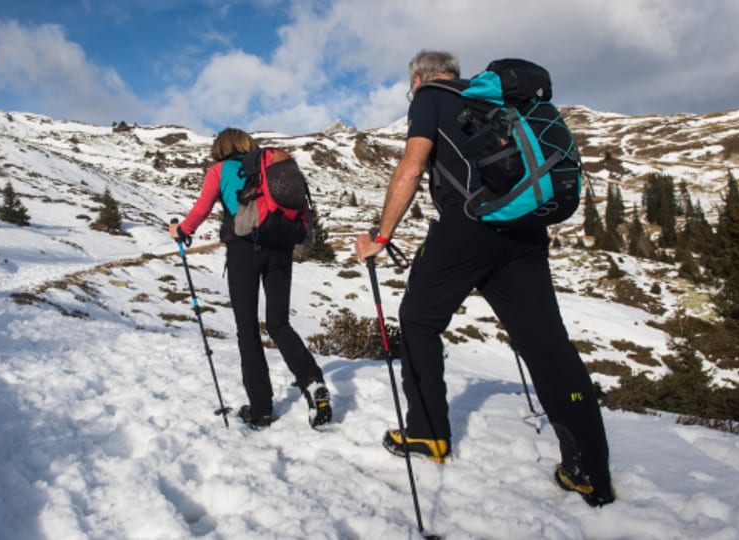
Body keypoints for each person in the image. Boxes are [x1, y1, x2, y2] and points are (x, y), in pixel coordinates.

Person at [354, 50, 615, 507]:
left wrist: (381, 235)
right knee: (549, 347)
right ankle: (590, 472)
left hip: (467, 227)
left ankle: (428, 434)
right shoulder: (497, 99)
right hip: (524, 230)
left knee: (417, 320)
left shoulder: (429, 96)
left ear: (418, 78)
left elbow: (413, 166)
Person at [169, 127, 332, 430]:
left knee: (247, 329)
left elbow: (202, 208)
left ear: (220, 147)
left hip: (244, 250)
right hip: (280, 246)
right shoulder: (270, 166)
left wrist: (181, 231)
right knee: (279, 323)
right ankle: (312, 382)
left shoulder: (219, 170)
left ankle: (261, 409)